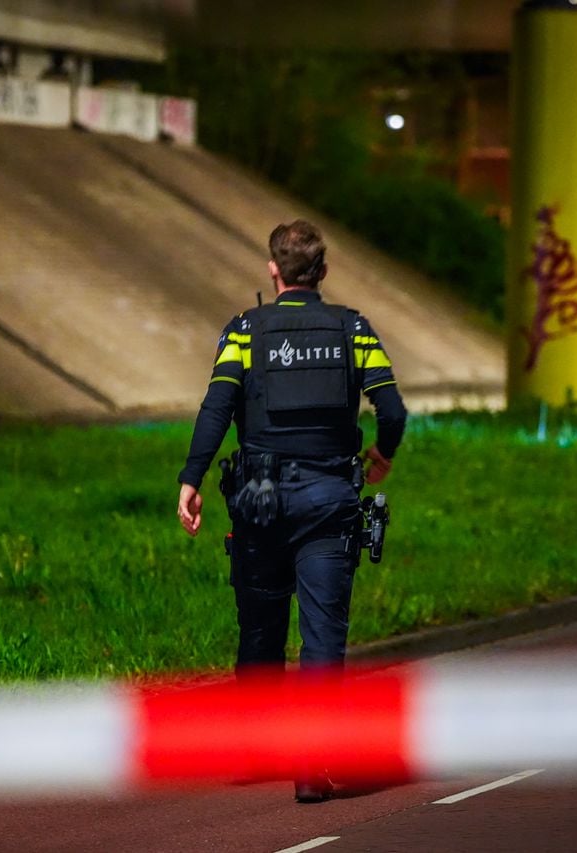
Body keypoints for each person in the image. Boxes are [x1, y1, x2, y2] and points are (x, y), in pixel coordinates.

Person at [175, 219, 407, 803]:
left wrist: (192, 477)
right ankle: (313, 764)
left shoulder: (245, 332)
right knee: (323, 637)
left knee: (260, 627)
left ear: (273, 271)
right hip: (330, 501)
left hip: (259, 502)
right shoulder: (352, 330)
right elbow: (393, 409)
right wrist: (383, 452)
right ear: (322, 273)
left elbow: (217, 406)